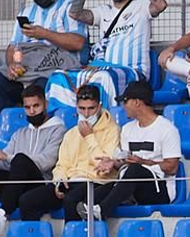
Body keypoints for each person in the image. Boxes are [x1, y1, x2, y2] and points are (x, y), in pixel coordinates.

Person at [54, 0, 167, 109]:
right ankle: (71, 119)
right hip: (103, 69)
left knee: (104, 78)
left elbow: (161, 5)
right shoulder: (103, 11)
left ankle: (106, 120)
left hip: (133, 73)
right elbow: (74, 13)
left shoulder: (141, 7)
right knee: (58, 77)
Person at [0, 0, 87, 118]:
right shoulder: (26, 12)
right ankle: (6, 131)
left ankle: (40, 132)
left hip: (54, 69)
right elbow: (13, 47)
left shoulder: (70, 9)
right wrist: (13, 64)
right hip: (27, 69)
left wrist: (45, 34)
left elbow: (78, 43)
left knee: (39, 89)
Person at [0, 81, 65, 219]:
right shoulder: (20, 133)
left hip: (40, 185)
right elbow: (6, 161)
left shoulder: (59, 130)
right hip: (15, 185)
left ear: (46, 104)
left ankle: (3, 213)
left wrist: (7, 157)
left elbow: (47, 161)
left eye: (36, 106)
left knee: (20, 159)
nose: (32, 111)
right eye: (27, 107)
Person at [17, 83, 121, 221]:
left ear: (100, 107)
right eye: (82, 108)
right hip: (70, 181)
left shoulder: (112, 130)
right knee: (27, 200)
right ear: (76, 107)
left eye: (91, 108)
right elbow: (61, 164)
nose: (86, 113)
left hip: (96, 181)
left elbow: (104, 165)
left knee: (71, 200)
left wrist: (89, 137)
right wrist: (59, 180)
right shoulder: (71, 133)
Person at [93, 80, 182, 220]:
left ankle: (102, 210)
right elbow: (126, 161)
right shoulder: (127, 129)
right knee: (92, 192)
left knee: (136, 169)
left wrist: (143, 162)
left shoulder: (167, 129)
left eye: (125, 102)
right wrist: (114, 163)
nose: (123, 107)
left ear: (136, 102)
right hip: (131, 185)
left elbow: (172, 167)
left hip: (159, 188)